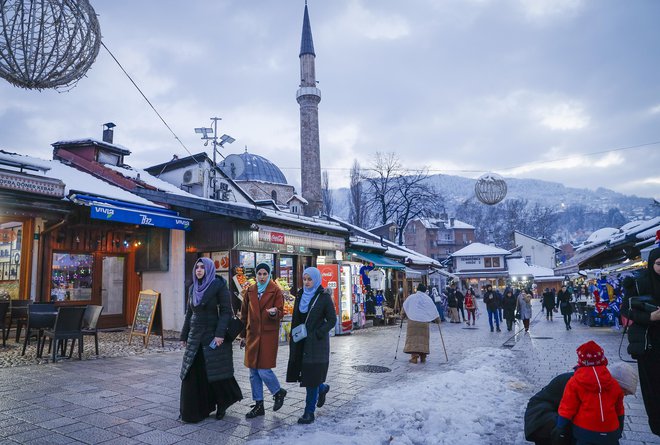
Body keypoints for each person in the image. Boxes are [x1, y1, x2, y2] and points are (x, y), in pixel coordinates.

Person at [179, 258, 242, 423]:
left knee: (216, 373)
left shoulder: (219, 286)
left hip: (212, 335)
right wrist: (184, 335)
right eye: (197, 267)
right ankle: (194, 411)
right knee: (192, 373)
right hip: (195, 336)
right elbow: (190, 313)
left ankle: (223, 403)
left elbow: (227, 312)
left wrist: (220, 334)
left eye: (202, 267)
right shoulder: (193, 287)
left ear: (208, 269)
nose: (199, 270)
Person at [524, 362, 638, 445]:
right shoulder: (579, 383)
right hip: (541, 415)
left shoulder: (603, 391)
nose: (623, 396)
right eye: (624, 391)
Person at [286, 267, 337, 425]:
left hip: (316, 343)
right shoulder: (300, 294)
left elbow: (332, 319)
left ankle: (309, 412)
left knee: (311, 377)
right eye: (305, 279)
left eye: (310, 279)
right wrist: (292, 335)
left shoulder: (324, 297)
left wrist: (318, 333)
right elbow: (297, 316)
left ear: (316, 279)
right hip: (301, 341)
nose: (307, 282)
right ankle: (322, 388)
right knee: (309, 374)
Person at [239, 263, 287, 419]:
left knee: (263, 369)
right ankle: (259, 404)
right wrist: (243, 335)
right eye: (259, 273)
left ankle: (278, 391)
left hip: (267, 335)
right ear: (255, 275)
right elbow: (244, 314)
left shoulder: (276, 291)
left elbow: (281, 312)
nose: (261, 277)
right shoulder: (250, 290)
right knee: (253, 371)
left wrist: (274, 312)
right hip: (252, 334)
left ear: (269, 274)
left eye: (264, 273)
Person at [621, 246, 660, 436]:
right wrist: (650, 317)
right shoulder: (639, 284)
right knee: (653, 388)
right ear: (652, 263)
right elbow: (625, 310)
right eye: (659, 264)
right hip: (649, 345)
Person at [555, 341, 625, 445]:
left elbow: (567, 407)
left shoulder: (575, 382)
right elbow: (619, 409)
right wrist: (619, 427)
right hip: (611, 431)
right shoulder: (613, 382)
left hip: (585, 430)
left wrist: (560, 427)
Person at [403, 283, 439, 363]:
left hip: (413, 321)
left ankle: (414, 357)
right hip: (424, 322)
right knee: (423, 340)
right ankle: (423, 357)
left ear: (417, 289)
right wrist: (437, 319)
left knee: (414, 339)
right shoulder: (427, 298)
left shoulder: (411, 297)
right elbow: (433, 308)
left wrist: (402, 316)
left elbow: (405, 306)